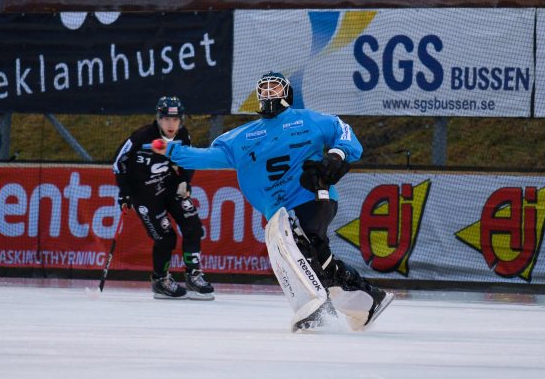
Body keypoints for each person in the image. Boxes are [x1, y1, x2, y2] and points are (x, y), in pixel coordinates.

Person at [152, 72, 393, 330]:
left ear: (286, 94)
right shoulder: (241, 137)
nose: (269, 93)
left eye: (275, 88)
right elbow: (205, 157)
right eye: (264, 89)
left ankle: (319, 309)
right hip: (279, 211)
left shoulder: (308, 120)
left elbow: (342, 131)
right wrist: (171, 150)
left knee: (304, 239)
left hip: (313, 196)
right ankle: (368, 299)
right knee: (318, 256)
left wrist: (336, 155)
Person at [113, 96, 214, 300]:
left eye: (175, 120)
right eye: (166, 119)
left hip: (169, 186)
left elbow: (189, 159)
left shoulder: (183, 135)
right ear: (158, 119)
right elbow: (118, 162)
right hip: (145, 194)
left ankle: (193, 275)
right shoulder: (141, 137)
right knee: (166, 238)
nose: (171, 124)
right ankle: (160, 280)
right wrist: (124, 192)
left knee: (193, 226)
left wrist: (185, 180)